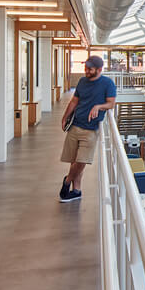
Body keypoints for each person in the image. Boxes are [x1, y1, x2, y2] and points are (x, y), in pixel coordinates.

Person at [58, 55, 117, 202]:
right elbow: (74, 101)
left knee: (81, 161)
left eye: (89, 69)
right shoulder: (82, 81)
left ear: (99, 69)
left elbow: (111, 104)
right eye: (86, 68)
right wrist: (65, 116)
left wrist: (98, 106)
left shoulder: (107, 84)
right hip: (75, 125)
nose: (86, 70)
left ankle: (66, 182)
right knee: (73, 161)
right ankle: (76, 190)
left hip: (91, 129)